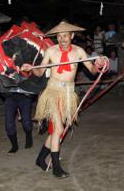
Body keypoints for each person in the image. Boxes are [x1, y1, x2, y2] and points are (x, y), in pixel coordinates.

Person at [21, 20, 106, 178]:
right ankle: (56, 167)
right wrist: (30, 69)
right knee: (59, 130)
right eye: (59, 36)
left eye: (65, 36)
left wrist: (100, 63)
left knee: (55, 132)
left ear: (72, 36)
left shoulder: (79, 52)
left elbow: (93, 70)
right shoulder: (51, 51)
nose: (62, 39)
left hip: (68, 95)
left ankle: (40, 159)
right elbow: (40, 72)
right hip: (52, 93)